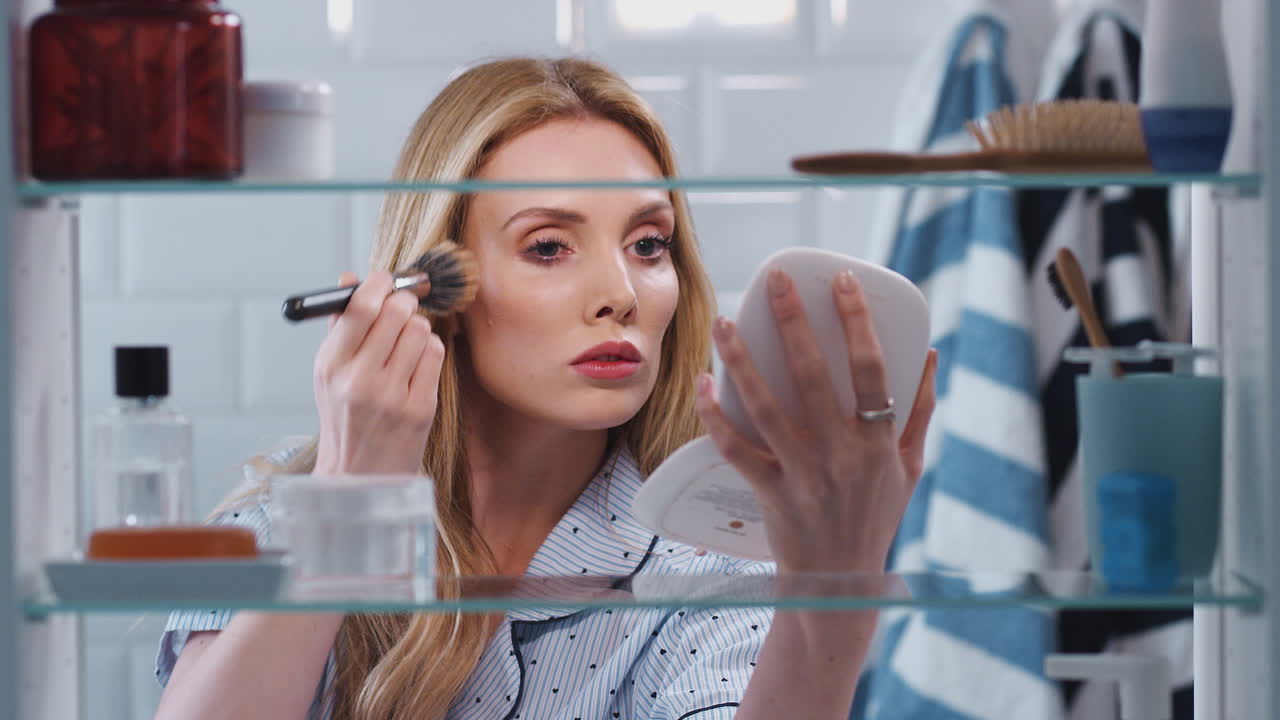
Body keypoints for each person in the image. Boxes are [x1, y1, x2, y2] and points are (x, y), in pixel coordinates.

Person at [152, 56, 938, 720]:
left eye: (648, 243)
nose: (620, 292)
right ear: (434, 288)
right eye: (550, 246)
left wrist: (835, 598)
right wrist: (350, 491)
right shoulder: (281, 516)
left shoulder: (703, 556)